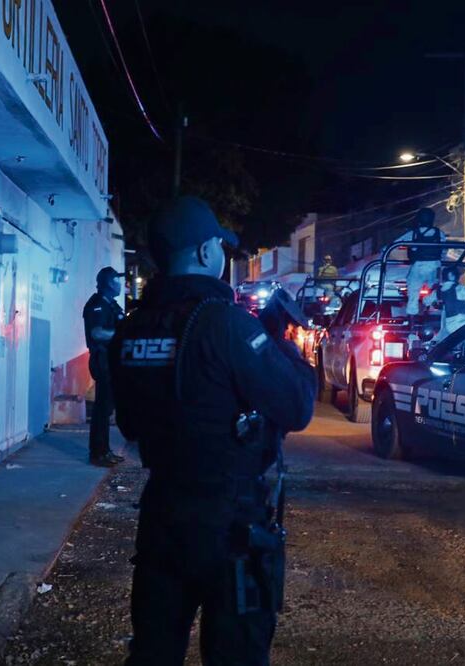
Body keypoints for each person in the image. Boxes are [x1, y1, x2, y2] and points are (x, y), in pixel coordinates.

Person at [110, 196, 316, 666]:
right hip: (229, 527)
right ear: (206, 252)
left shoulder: (130, 329)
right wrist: (282, 344)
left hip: (162, 518)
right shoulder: (225, 324)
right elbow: (297, 406)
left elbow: (130, 424)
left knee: (153, 653)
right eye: (220, 247)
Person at [82, 266, 127, 467]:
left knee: (107, 408)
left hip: (111, 360)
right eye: (117, 280)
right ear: (109, 283)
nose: (120, 284)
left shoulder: (111, 304)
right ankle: (98, 453)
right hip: (103, 360)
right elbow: (97, 333)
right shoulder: (97, 304)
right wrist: (123, 335)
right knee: (102, 409)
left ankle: (105, 450)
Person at [395, 207, 446, 319]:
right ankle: (429, 302)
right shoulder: (439, 233)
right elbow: (443, 251)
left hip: (418, 266)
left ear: (419, 220)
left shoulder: (413, 233)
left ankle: (412, 320)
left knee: (413, 291)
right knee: (435, 287)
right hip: (435, 266)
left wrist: (384, 250)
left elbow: (396, 242)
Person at [424, 264, 465, 341]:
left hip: (449, 325)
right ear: (453, 276)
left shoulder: (438, 291)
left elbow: (426, 301)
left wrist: (434, 304)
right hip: (463, 322)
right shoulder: (459, 289)